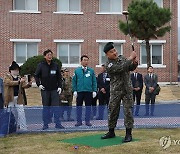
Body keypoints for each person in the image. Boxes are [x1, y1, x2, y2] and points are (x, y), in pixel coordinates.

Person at [101, 42, 138, 142]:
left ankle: (128, 134)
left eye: (114, 50)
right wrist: (130, 58)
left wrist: (134, 62)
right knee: (113, 111)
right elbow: (120, 68)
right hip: (116, 91)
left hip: (127, 90)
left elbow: (129, 67)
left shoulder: (122, 58)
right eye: (111, 52)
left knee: (128, 112)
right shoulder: (108, 64)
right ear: (107, 54)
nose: (114, 52)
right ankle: (111, 131)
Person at [34, 49, 63, 130]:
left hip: (54, 90)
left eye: (51, 55)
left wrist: (60, 86)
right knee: (46, 107)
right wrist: (39, 84)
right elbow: (36, 75)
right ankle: (45, 124)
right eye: (48, 55)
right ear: (45, 56)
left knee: (56, 107)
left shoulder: (55, 65)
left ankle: (58, 123)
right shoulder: (41, 65)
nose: (50, 56)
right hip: (45, 90)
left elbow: (59, 77)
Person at [3, 61, 32, 130]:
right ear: (11, 70)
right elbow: (9, 83)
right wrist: (19, 82)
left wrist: (28, 84)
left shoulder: (19, 78)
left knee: (21, 113)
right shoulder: (7, 76)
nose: (17, 71)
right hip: (10, 98)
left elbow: (23, 86)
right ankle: (8, 127)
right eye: (16, 70)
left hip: (18, 98)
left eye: (18, 70)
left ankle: (23, 127)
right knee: (10, 113)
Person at [72, 55, 97, 127]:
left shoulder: (91, 71)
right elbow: (74, 81)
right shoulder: (77, 71)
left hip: (88, 91)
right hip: (80, 91)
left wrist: (94, 90)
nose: (86, 62)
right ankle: (79, 121)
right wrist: (75, 90)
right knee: (79, 107)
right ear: (81, 61)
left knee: (88, 107)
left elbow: (94, 81)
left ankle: (87, 121)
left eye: (87, 60)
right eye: (84, 60)